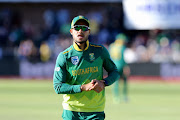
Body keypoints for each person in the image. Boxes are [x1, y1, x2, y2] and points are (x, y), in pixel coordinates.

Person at [53, 15, 120, 120]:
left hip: (95, 111)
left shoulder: (100, 51)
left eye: (84, 28)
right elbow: (58, 87)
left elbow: (114, 72)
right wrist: (82, 87)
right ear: (71, 31)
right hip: (72, 111)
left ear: (89, 31)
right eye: (77, 28)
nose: (80, 31)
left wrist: (104, 83)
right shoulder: (64, 56)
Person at [109, 33, 130, 103]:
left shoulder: (112, 46)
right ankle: (125, 96)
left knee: (116, 82)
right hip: (120, 65)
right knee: (125, 80)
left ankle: (116, 97)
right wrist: (125, 67)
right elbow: (122, 58)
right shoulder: (122, 47)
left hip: (113, 66)